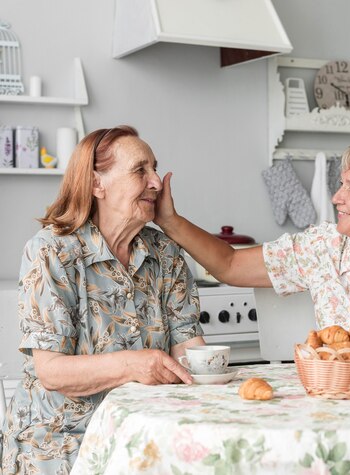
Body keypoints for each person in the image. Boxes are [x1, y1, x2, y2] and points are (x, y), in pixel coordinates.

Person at [1, 126, 205, 474]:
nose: (156, 181)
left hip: (144, 436)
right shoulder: (52, 252)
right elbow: (50, 371)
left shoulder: (165, 254)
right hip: (62, 443)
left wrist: (212, 372)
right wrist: (135, 365)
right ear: (98, 184)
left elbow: (189, 349)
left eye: (155, 168)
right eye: (141, 170)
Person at [155, 133, 350, 355]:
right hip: (331, 400)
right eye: (341, 184)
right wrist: (170, 220)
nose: (336, 197)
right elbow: (230, 265)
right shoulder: (323, 245)